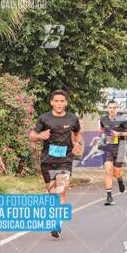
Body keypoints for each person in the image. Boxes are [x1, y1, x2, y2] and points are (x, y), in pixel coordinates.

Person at [29, 89, 83, 238]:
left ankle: (56, 223)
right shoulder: (44, 118)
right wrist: (40, 135)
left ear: (66, 103)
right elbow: (31, 135)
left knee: (61, 190)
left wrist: (77, 142)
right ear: (52, 102)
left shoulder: (72, 119)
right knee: (52, 193)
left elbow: (77, 132)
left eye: (62, 101)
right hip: (47, 160)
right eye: (56, 101)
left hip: (65, 160)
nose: (59, 104)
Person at [99, 100, 127, 206]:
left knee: (117, 173)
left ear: (117, 109)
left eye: (114, 108)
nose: (112, 110)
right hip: (107, 148)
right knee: (108, 170)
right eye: (110, 108)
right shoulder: (103, 119)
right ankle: (109, 196)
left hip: (120, 148)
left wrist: (118, 133)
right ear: (108, 108)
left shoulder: (122, 120)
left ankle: (120, 180)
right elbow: (100, 131)